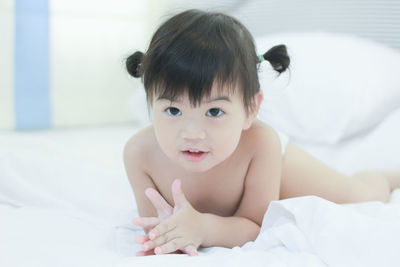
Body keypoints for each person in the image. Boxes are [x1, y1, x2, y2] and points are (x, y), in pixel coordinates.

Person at [123, 9, 400, 257]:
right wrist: (168, 237)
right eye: (173, 111)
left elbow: (256, 226)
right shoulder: (139, 155)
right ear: (151, 102)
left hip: (281, 169)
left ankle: (387, 177)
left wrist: (204, 227)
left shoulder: (261, 144)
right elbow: (158, 228)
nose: (192, 134)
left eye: (214, 112)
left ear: (250, 109)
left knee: (360, 194)